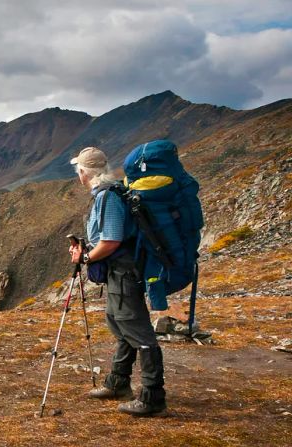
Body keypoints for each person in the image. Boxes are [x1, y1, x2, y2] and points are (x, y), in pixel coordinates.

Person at [68, 146, 167, 417]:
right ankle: (118, 383)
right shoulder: (110, 193)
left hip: (123, 271)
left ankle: (152, 397)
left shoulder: (108, 197)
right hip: (118, 270)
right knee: (118, 321)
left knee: (136, 329)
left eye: (78, 169)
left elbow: (111, 241)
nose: (78, 173)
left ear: (84, 172)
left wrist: (85, 259)